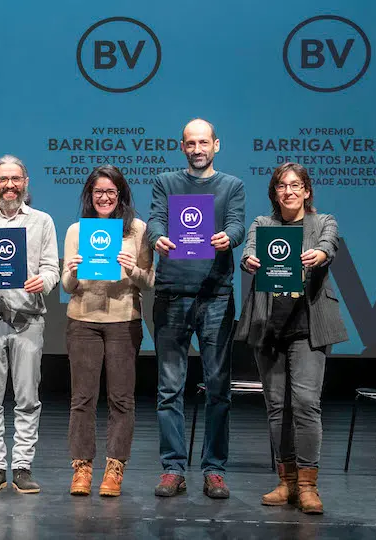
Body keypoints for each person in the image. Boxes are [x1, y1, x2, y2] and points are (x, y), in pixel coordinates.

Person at [235, 162, 347, 515]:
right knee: (277, 408)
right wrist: (250, 259)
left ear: (307, 191)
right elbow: (249, 250)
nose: (289, 191)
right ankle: (286, 482)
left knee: (305, 404)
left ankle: (308, 485)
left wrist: (321, 254)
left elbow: (330, 245)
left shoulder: (323, 222)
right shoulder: (262, 225)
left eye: (296, 185)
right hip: (268, 325)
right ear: (274, 193)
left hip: (308, 326)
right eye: (282, 186)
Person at [147, 118, 246, 499]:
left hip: (216, 295)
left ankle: (214, 469)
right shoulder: (165, 182)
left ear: (216, 145)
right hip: (172, 293)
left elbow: (237, 223)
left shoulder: (231, 185)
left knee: (218, 388)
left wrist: (229, 237)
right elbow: (156, 218)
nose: (197, 149)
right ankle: (173, 468)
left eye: (204, 142)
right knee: (169, 389)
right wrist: (156, 236)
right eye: (191, 143)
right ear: (182, 147)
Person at [0, 155, 60, 494]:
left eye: (16, 179)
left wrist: (44, 281)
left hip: (28, 320)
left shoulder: (42, 222)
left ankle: (21, 466)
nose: (10, 185)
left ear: (25, 182)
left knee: (27, 398)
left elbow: (52, 267)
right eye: (3, 179)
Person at [62, 165, 153, 497]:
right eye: (98, 192)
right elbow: (67, 285)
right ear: (90, 196)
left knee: (121, 399)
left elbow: (150, 280)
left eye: (110, 192)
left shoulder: (138, 230)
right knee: (82, 399)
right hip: (83, 319)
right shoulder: (76, 230)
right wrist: (71, 273)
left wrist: (133, 270)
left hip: (123, 319)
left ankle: (114, 469)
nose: (104, 197)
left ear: (121, 195)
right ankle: (82, 469)